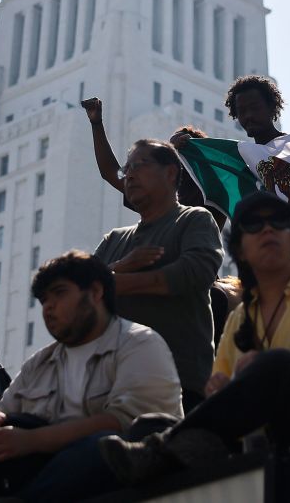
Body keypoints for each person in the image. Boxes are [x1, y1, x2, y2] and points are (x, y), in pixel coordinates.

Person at [99, 191, 290, 485]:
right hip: (257, 441)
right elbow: (223, 397)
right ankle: (161, 451)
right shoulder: (239, 318)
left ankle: (162, 449)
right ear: (240, 249)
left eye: (278, 221)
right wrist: (222, 385)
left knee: (278, 364)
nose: (268, 229)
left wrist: (276, 368)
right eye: (253, 224)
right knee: (146, 425)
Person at [0, 251, 182, 502]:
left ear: (95, 292)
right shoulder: (39, 364)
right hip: (40, 471)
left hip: (118, 473)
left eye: (59, 293)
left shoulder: (139, 343)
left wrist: (32, 441)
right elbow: (5, 415)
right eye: (44, 300)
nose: (48, 307)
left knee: (99, 447)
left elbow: (125, 424)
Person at [93, 139, 223, 412]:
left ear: (171, 172)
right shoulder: (114, 240)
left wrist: (111, 282)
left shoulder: (194, 220)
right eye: (127, 168)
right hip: (107, 388)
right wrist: (120, 266)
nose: (129, 174)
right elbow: (77, 293)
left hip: (177, 386)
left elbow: (193, 272)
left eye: (139, 165)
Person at [80, 97, 225, 228]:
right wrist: (96, 124)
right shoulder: (158, 190)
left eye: (179, 147)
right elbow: (110, 172)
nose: (172, 151)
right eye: (170, 148)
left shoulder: (213, 192)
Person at [223, 75, 285, 145]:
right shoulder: (243, 154)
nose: (248, 116)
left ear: (271, 106)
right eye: (241, 111)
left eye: (255, 108)